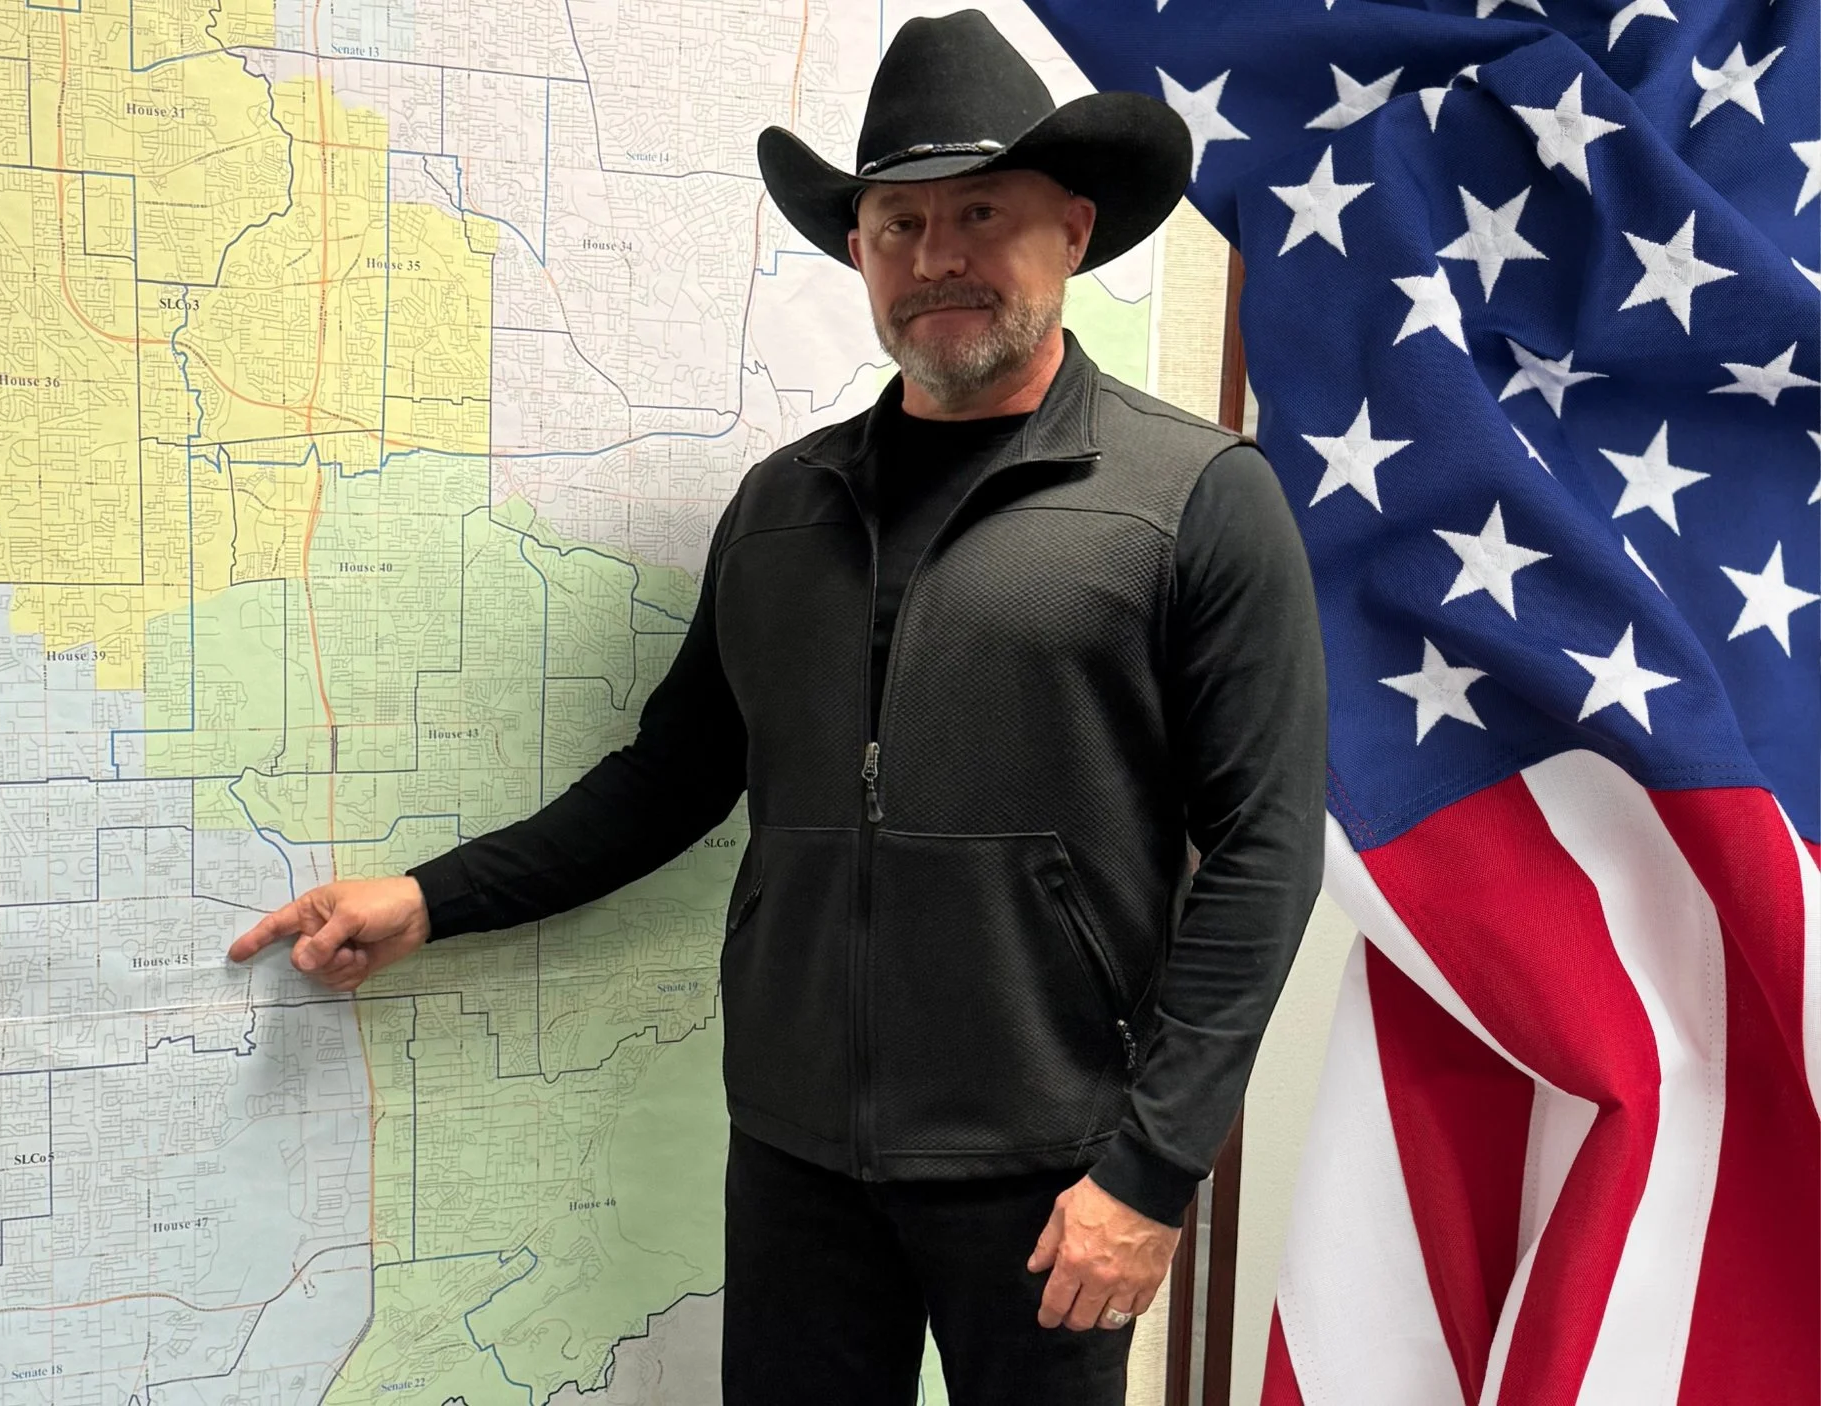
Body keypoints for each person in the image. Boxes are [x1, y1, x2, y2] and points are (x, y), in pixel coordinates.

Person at [229, 11, 1326, 1403]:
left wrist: (1151, 1170)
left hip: (1056, 1176)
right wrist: (432, 896)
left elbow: (1266, 852)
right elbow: (667, 780)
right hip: (801, 1157)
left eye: (981, 212)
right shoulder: (784, 509)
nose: (937, 258)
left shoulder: (1196, 501)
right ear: (859, 251)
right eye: (897, 223)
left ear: (1071, 228)